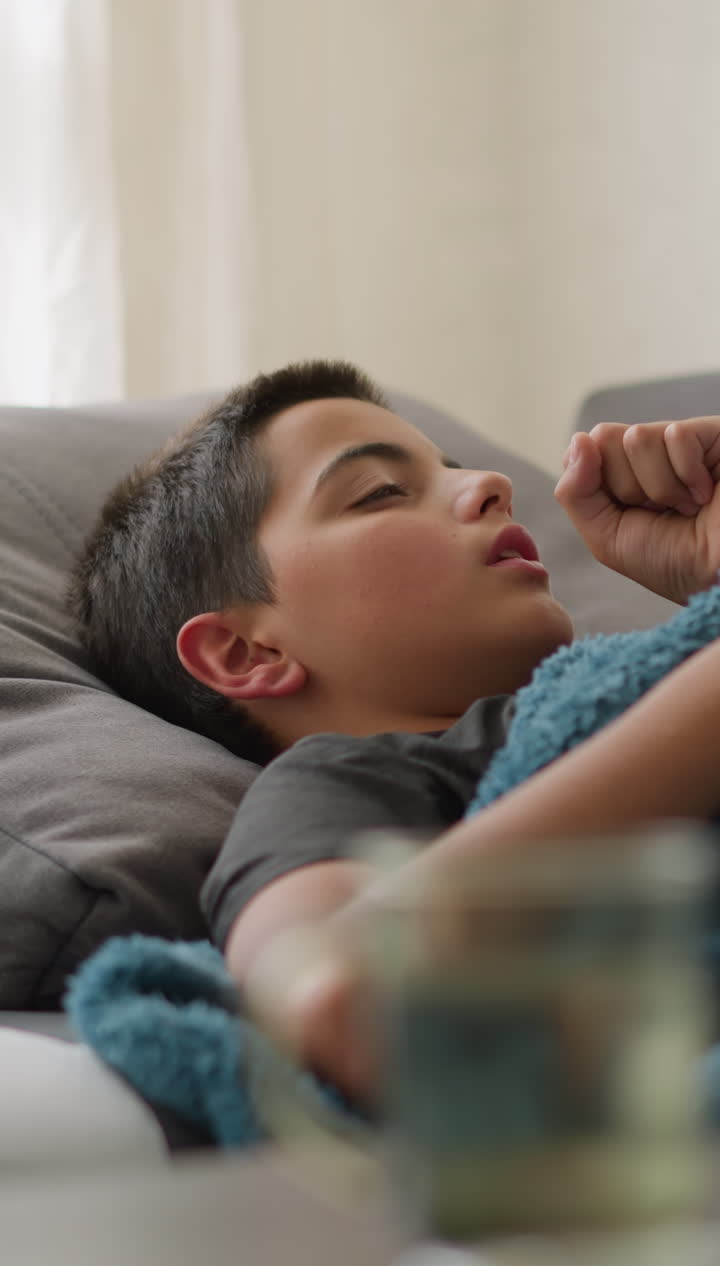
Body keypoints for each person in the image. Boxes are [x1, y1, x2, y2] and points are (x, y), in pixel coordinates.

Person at [69, 360, 720, 1101]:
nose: (491, 486)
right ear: (247, 652)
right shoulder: (336, 784)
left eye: (456, 468)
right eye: (380, 492)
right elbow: (342, 996)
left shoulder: (665, 664)